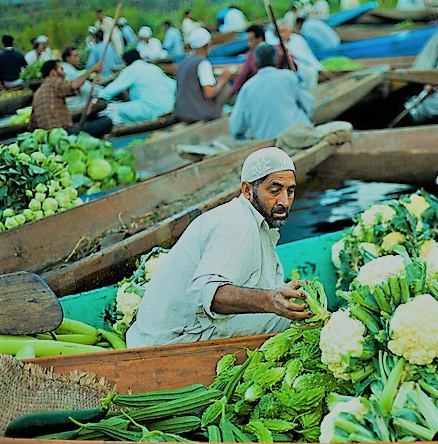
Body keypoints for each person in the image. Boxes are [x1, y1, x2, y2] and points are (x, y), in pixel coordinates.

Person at [125, 146, 311, 348]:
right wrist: (271, 300)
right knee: (296, 319)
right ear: (248, 190)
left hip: (165, 332)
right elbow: (207, 293)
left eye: (290, 191)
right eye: (274, 190)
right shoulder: (236, 225)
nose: (284, 201)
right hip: (175, 340)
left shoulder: (251, 218)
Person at [229, 43, 314, 140]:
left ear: (255, 63)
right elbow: (309, 106)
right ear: (276, 60)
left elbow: (236, 127)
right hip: (298, 137)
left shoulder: (247, 87)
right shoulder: (288, 77)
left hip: (268, 142)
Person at [29, 59, 113, 137]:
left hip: (50, 136)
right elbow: (74, 85)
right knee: (106, 121)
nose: (65, 73)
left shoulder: (37, 93)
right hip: (64, 134)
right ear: (53, 73)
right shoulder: (53, 81)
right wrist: (92, 70)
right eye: (61, 69)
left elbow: (32, 124)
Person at [98, 49, 176, 126]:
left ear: (125, 63)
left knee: (113, 109)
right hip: (170, 108)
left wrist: (96, 100)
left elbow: (109, 91)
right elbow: (173, 85)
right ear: (140, 57)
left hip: (153, 111)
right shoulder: (154, 68)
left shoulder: (131, 69)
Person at [173, 27, 232, 123]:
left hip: (181, 112)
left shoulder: (183, 63)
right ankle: (215, 116)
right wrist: (223, 80)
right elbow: (209, 93)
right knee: (225, 87)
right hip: (198, 114)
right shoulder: (203, 63)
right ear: (207, 45)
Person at [229, 24, 295, 96]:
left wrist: (286, 55)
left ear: (259, 39)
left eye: (251, 40)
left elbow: (243, 76)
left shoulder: (277, 50)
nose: (249, 44)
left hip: (274, 89)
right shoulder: (251, 54)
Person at [271, 21, 324, 89]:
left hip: (307, 69)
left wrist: (319, 67)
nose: (281, 34)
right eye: (279, 32)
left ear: (290, 31)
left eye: (284, 31)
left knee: (311, 71)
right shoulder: (275, 45)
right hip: (291, 74)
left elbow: (309, 55)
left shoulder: (298, 39)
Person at [61, 46, 102, 111]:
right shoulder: (69, 71)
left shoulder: (68, 68)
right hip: (75, 104)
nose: (78, 58)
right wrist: (102, 92)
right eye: (75, 56)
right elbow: (87, 89)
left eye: (78, 55)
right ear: (67, 58)